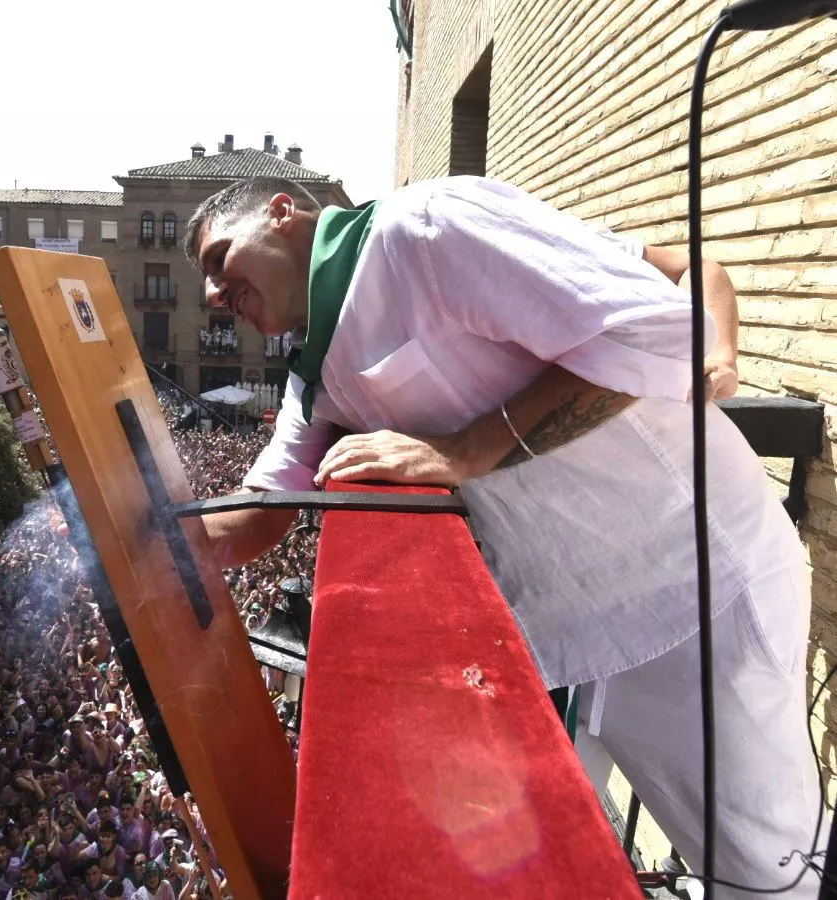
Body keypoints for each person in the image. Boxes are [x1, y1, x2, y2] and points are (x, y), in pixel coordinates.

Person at [184, 174, 820, 897]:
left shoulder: (425, 228)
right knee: (551, 864)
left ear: (282, 214)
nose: (211, 295)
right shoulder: (311, 369)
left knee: (761, 864)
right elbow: (262, 511)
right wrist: (133, 533)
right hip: (567, 632)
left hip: (691, 588)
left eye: (217, 260)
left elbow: (660, 332)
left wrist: (464, 451)